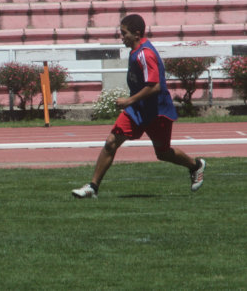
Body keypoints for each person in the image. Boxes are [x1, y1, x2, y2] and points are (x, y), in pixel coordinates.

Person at [72, 14, 206, 199]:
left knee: (163, 153)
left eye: (123, 33)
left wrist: (128, 101)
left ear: (136, 34)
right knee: (111, 142)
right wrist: (132, 104)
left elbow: (155, 86)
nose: (121, 37)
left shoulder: (145, 54)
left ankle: (195, 165)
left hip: (157, 112)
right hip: (137, 110)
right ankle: (93, 187)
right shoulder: (136, 51)